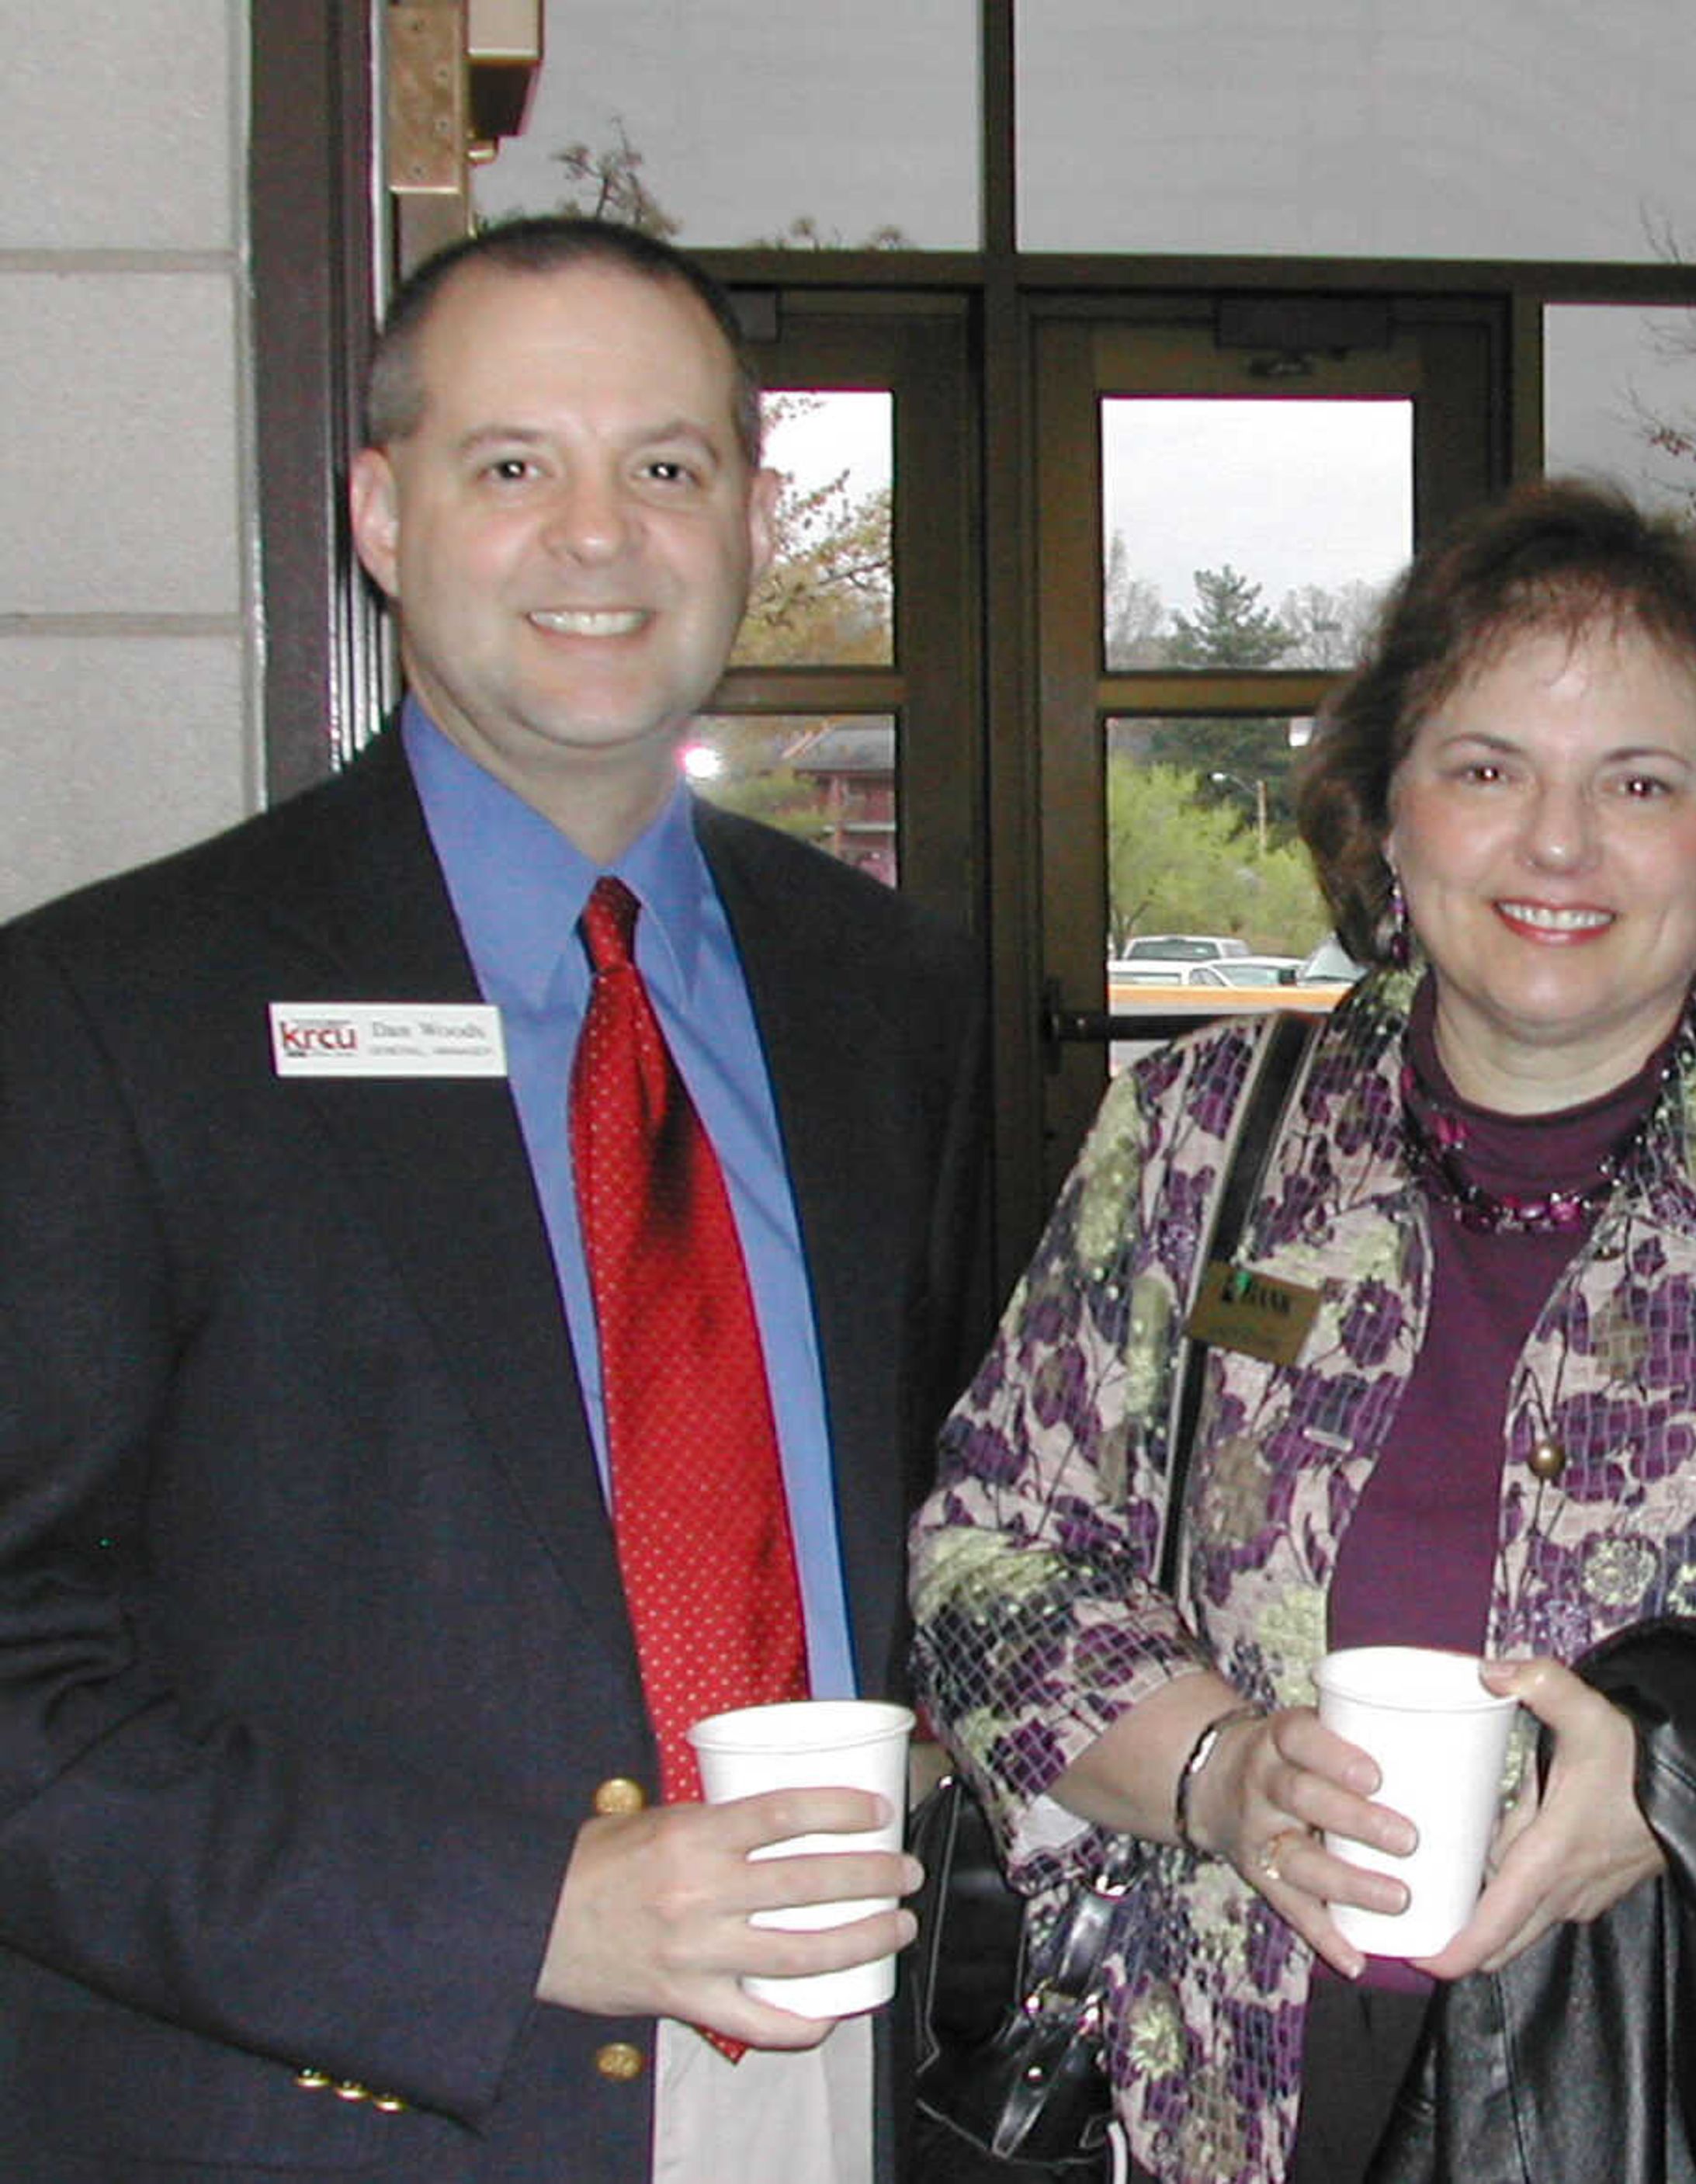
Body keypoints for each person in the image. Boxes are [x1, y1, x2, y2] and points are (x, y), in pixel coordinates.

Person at [911, 477, 1696, 2183]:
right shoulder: (1192, 1146)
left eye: (1639, 782)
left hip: (1692, 2093)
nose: (1559, 847)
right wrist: (1215, 1771)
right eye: (1487, 770)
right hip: (1241, 2092)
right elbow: (989, 1550)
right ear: (1389, 819)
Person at [0, 218, 985, 2179]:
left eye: (668, 468)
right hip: (352, 2106)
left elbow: (931, 1503)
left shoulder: (891, 996)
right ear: (382, 513)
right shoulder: (112, 1015)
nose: (598, 538)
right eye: (513, 465)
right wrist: (532, 1913)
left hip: (827, 2088)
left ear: (756, 519)